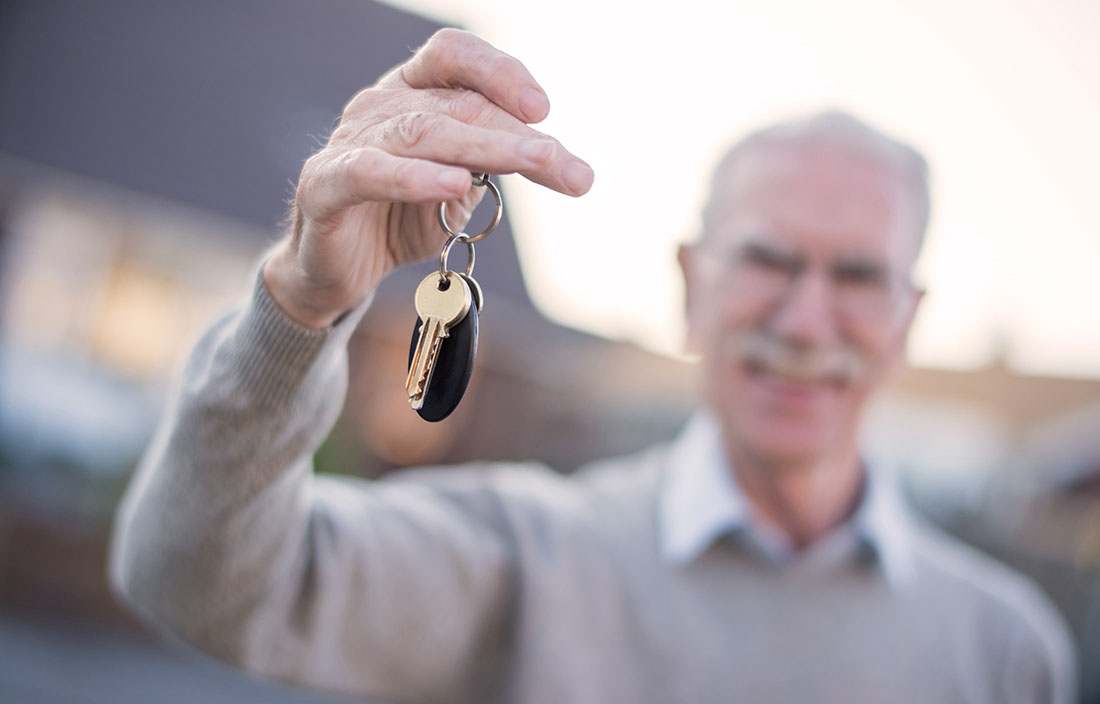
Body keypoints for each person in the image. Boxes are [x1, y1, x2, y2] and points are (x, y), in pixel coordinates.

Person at [110, 29, 1076, 704]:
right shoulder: (527, 559)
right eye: (769, 260)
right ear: (691, 284)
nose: (805, 318)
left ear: (909, 319)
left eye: (858, 275)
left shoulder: (1008, 651)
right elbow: (189, 584)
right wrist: (302, 306)